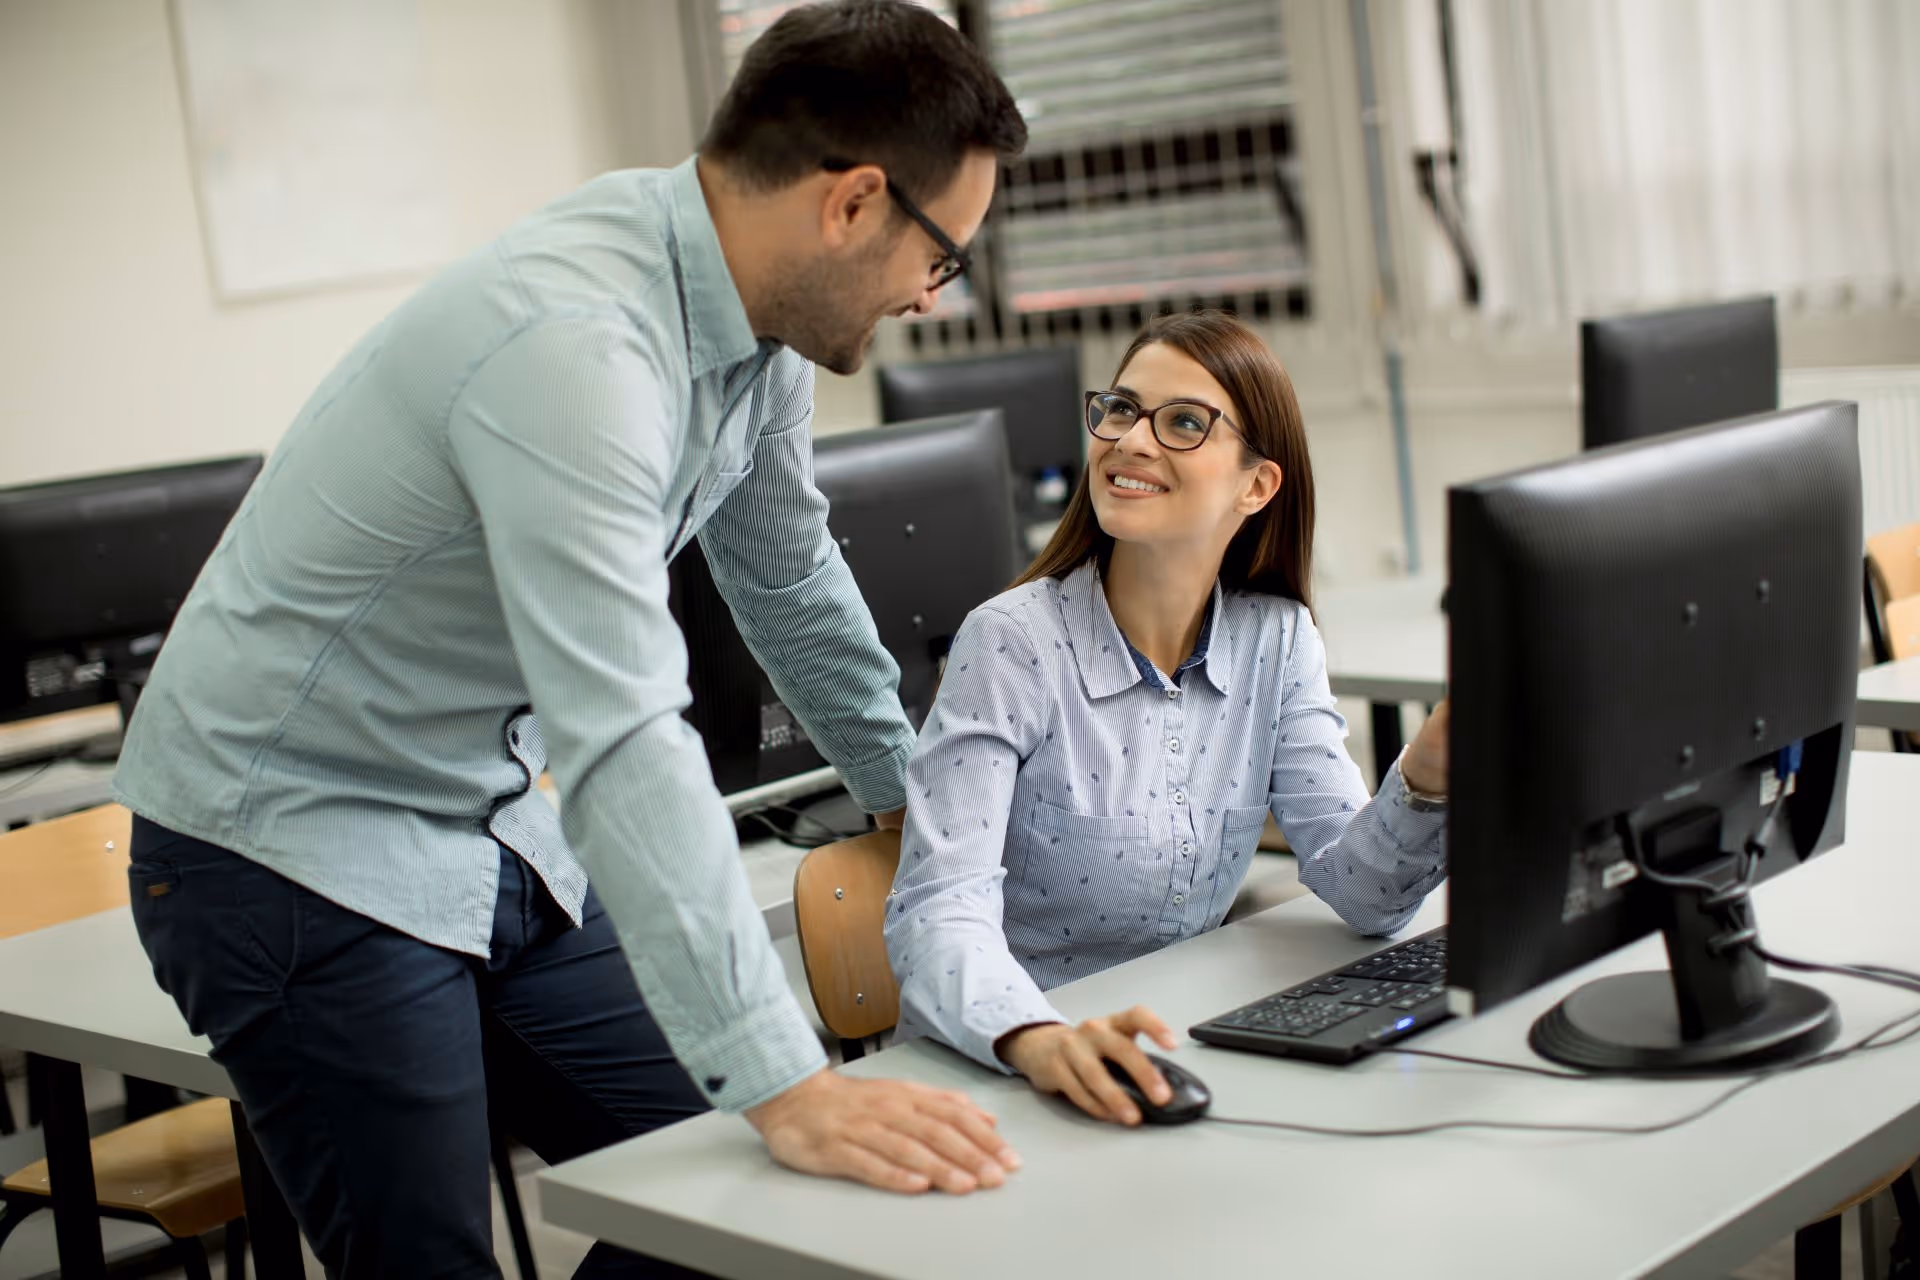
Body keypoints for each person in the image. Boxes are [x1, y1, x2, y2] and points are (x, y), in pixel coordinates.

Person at [110, 2, 1028, 1274]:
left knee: (739, 1218)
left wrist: (916, 805)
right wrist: (784, 1082)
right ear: (855, 204)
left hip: (497, 821)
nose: (935, 298)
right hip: (293, 841)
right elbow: (625, 731)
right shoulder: (577, 346)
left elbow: (787, 575)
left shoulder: (757, 328)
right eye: (944, 257)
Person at [884, 311, 1450, 1125]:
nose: (1132, 441)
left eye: (1184, 422)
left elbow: (1364, 895)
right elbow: (939, 910)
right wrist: (1039, 1039)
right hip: (1005, 1075)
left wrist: (1426, 777)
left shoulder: (1274, 638)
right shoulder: (1013, 643)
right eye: (1120, 409)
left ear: (1256, 486)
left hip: (1169, 1052)